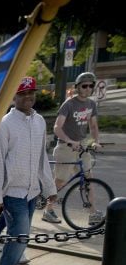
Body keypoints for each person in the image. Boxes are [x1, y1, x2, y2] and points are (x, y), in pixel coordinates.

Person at [0, 76, 57, 265]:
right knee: (19, 235)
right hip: (12, 192)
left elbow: (41, 158)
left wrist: (49, 188)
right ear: (13, 97)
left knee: (21, 236)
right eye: (22, 94)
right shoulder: (4, 124)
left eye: (31, 93)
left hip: (31, 191)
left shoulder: (39, 122)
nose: (28, 97)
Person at [44, 71, 103, 224]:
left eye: (91, 86)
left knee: (89, 178)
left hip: (82, 146)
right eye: (85, 86)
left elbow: (94, 126)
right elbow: (57, 127)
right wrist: (69, 141)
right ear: (77, 87)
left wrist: (96, 141)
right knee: (61, 181)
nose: (88, 89)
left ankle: (93, 213)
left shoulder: (91, 104)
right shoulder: (69, 104)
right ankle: (48, 209)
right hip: (66, 146)